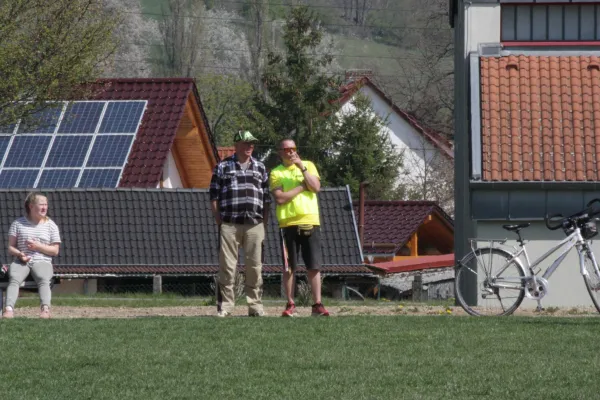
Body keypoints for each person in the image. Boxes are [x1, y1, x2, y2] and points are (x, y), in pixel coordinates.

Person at [209, 130, 271, 317]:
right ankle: (226, 306)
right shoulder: (223, 167)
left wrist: (264, 223)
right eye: (246, 143)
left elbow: (267, 198)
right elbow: (213, 196)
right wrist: (219, 220)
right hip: (229, 224)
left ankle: (255, 305)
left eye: (252, 144)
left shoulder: (260, 167)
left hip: (255, 225)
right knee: (227, 266)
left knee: (255, 266)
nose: (250, 147)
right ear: (236, 145)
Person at [270, 138, 329, 317]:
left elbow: (316, 187)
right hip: (287, 223)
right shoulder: (276, 173)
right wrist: (302, 187)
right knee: (289, 267)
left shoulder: (309, 165)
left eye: (293, 149)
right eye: (286, 149)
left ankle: (317, 304)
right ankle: (290, 303)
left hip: (310, 220)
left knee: (314, 265)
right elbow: (280, 198)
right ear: (280, 153)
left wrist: (301, 168)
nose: (290, 152)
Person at [3, 192, 61, 319]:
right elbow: (10, 247)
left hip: (42, 260)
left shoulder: (51, 225)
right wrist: (20, 253)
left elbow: (55, 250)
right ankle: (8, 310)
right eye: (41, 205)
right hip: (22, 260)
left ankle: (45, 310)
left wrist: (38, 247)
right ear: (31, 206)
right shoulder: (18, 224)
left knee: (43, 279)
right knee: (14, 278)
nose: (44, 207)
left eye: (46, 204)